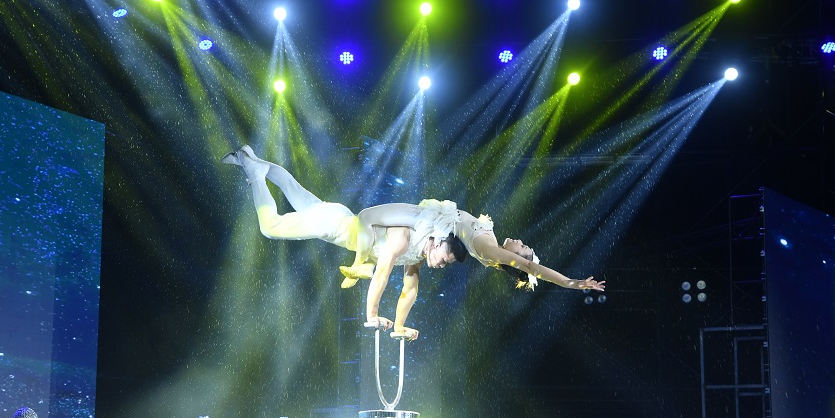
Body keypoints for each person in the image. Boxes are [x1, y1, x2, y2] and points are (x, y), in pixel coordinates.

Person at [224, 146, 605, 340]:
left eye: (523, 249)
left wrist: (400, 327)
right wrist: (371, 311)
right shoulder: (436, 239)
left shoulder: (485, 251)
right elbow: (384, 275)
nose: (522, 244)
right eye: (524, 250)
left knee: (293, 196)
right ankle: (254, 170)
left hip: (337, 220)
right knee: (271, 227)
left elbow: (410, 289)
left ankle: (251, 162)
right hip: (337, 224)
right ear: (440, 244)